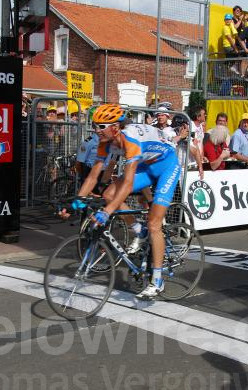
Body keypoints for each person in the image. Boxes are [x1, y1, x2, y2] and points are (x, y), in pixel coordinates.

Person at [61, 104, 182, 299]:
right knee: (109, 194)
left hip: (167, 165)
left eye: (101, 126)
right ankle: (137, 230)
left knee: (154, 224)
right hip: (147, 166)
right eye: (95, 125)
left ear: (115, 127)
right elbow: (92, 177)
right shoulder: (104, 141)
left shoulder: (131, 141)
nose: (96, 130)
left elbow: (126, 185)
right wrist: (76, 201)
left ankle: (157, 280)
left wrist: (107, 212)